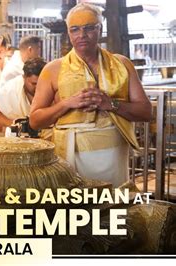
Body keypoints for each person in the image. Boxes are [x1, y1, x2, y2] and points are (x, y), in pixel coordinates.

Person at [29, 3, 151, 187]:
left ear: (100, 29)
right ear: (69, 33)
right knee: (76, 211)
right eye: (75, 29)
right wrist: (67, 104)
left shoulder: (122, 65)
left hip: (114, 153)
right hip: (70, 156)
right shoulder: (53, 69)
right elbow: (35, 120)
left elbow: (146, 112)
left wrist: (110, 104)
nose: (81, 35)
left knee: (114, 208)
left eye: (88, 28)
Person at [0, 57, 46, 124]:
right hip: (15, 133)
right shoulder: (9, 91)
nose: (37, 87)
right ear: (24, 78)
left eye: (41, 83)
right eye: (34, 83)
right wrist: (15, 125)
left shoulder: (52, 89)